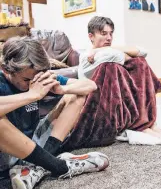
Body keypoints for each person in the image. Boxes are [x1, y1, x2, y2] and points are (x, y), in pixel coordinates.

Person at [0, 37, 109, 189]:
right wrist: (33, 95)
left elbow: (91, 86)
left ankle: (38, 165)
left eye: (36, 79)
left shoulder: (37, 76)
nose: (34, 83)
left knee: (75, 95)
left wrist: (62, 89)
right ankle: (58, 166)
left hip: (33, 143)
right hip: (5, 154)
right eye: (26, 80)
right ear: (6, 70)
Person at [78, 16, 161, 142]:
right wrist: (105, 50)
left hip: (115, 98)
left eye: (111, 34)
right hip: (97, 102)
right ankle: (142, 124)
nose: (109, 38)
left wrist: (102, 48)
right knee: (136, 63)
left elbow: (143, 51)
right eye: (103, 34)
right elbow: (128, 55)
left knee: (139, 62)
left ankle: (149, 123)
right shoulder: (86, 57)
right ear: (91, 36)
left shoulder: (101, 51)